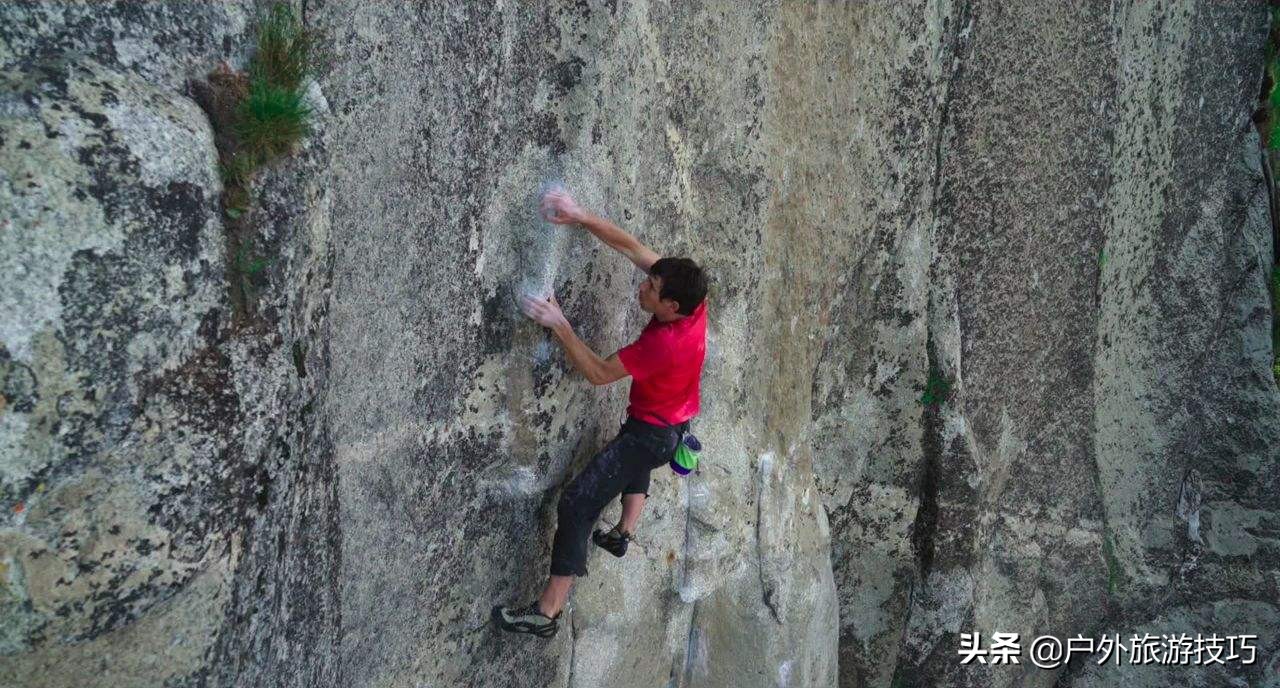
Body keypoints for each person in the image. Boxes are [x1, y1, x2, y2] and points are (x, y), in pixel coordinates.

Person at [492, 188, 708, 638]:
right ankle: (624, 531)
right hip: (671, 424)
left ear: (671, 308)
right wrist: (579, 216)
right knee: (636, 460)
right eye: (650, 279)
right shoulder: (691, 299)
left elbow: (597, 373)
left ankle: (547, 612)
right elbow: (631, 247)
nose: (642, 286)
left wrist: (560, 325)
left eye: (652, 289)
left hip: (651, 436)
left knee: (577, 502)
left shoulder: (661, 345)